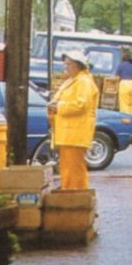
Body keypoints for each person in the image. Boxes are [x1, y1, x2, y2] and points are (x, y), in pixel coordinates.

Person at [48, 50, 100, 189]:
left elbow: (81, 106)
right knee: (68, 169)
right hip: (69, 134)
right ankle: (71, 195)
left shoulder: (84, 82)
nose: (66, 67)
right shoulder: (74, 80)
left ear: (78, 65)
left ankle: (76, 197)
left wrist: (58, 106)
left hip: (75, 134)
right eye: (66, 64)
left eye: (69, 64)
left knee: (74, 170)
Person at [115, 51, 132, 115]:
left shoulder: (121, 66)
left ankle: (125, 118)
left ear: (122, 59)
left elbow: (117, 77)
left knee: (124, 103)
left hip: (124, 83)